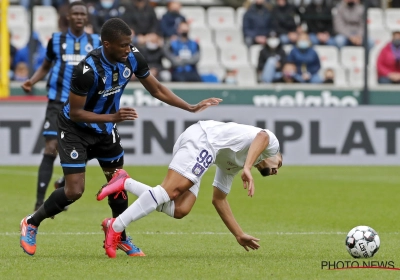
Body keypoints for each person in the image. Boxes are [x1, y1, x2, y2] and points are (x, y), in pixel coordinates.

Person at [19, 18, 222, 257]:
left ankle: (119, 235)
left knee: (118, 183)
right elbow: (75, 112)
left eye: (130, 44)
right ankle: (31, 222)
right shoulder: (86, 70)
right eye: (124, 45)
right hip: (75, 130)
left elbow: (156, 89)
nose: (129, 49)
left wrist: (189, 107)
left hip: (105, 130)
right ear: (107, 44)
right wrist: (113, 117)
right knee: (74, 190)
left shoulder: (132, 57)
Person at [96, 120, 282, 258]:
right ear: (276, 155)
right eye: (279, 164)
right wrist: (248, 167)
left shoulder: (234, 165)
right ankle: (117, 225)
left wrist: (239, 234)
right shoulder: (271, 144)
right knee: (171, 191)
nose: (276, 170)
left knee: (180, 208)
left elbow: (219, 199)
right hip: (203, 139)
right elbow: (263, 137)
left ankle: (125, 182)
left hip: (202, 146)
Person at [20, 1, 101, 212]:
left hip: (83, 105)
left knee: (88, 148)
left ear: (86, 17)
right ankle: (39, 202)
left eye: (82, 14)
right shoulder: (56, 40)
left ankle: (63, 184)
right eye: (75, 13)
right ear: (69, 17)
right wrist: (32, 80)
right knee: (51, 148)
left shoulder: (95, 42)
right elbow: (46, 65)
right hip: (57, 102)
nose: (79, 17)